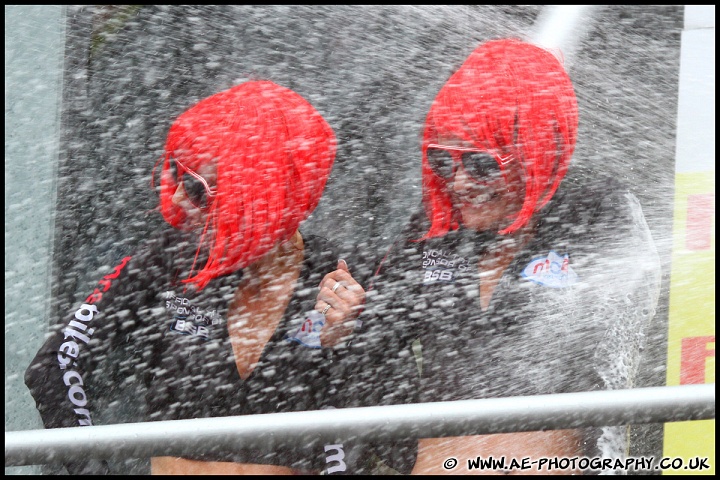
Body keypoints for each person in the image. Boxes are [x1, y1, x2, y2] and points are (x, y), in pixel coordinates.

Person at [332, 38, 662, 475]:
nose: (462, 182)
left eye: (483, 163)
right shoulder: (435, 232)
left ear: (536, 149)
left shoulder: (597, 212)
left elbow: (617, 370)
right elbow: (370, 373)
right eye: (444, 162)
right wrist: (343, 333)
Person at [24, 80, 365, 475]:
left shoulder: (338, 276)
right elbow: (55, 364)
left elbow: (376, 422)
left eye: (196, 187)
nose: (178, 199)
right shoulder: (171, 258)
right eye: (175, 172)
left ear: (261, 194)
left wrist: (342, 346)